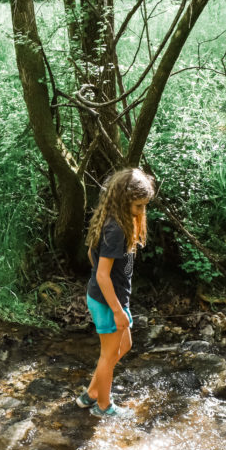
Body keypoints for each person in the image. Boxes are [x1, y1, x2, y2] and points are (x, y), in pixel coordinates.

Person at [75, 168, 155, 418]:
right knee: (108, 356)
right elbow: (101, 274)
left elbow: (92, 255)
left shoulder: (116, 220)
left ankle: (90, 395)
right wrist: (118, 311)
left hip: (113, 298)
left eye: (145, 206)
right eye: (139, 206)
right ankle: (103, 407)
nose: (142, 211)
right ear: (123, 200)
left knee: (125, 345)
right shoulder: (115, 229)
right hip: (107, 301)